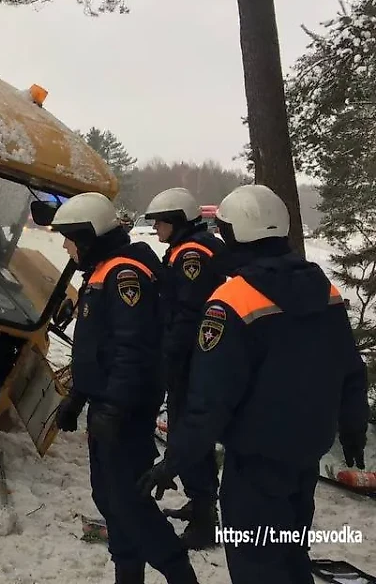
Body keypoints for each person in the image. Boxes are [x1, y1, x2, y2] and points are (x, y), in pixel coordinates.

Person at [138, 185, 369, 584]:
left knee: (257, 563)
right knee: (292, 557)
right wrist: (353, 429)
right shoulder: (324, 289)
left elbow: (210, 400)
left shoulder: (232, 300)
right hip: (305, 455)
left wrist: (173, 461)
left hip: (256, 462)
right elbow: (350, 370)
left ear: (238, 233)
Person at [49, 192, 199, 584]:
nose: (65, 246)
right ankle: (127, 575)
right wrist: (77, 397)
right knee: (110, 499)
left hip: (125, 410)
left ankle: (180, 574)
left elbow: (133, 351)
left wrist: (113, 409)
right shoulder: (102, 273)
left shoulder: (123, 274)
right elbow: (100, 350)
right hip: (106, 404)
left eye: (68, 238)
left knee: (128, 502)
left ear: (87, 236)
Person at [142, 187, 227, 549]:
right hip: (196, 358)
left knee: (187, 432)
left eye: (160, 222)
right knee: (190, 432)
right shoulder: (190, 248)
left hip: (192, 359)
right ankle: (201, 501)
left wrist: (169, 358)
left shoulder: (192, 253)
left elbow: (189, 313)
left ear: (175, 221)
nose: (156, 229)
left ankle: (205, 519)